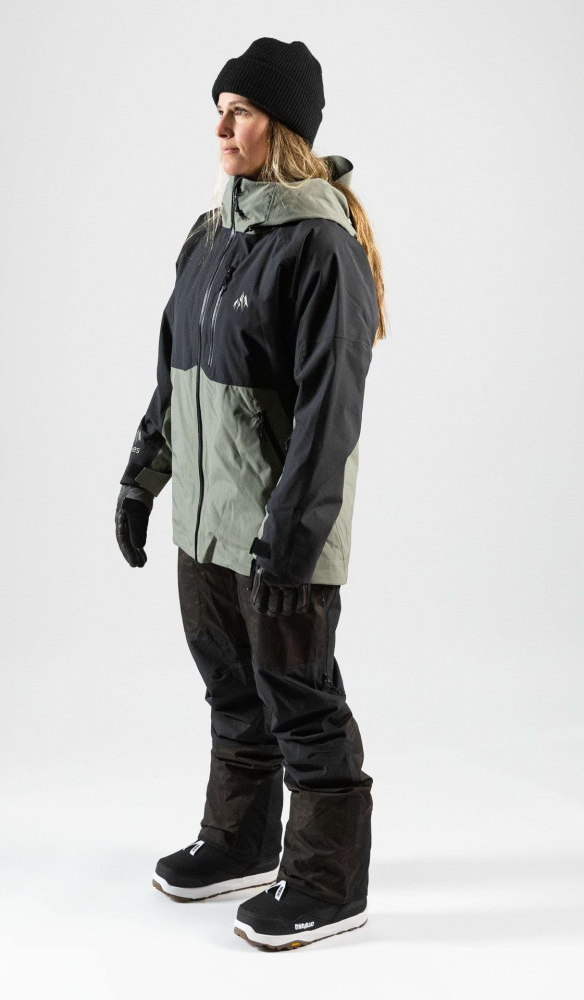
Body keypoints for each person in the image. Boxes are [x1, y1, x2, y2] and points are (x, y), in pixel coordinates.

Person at [114, 37, 387, 951]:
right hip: (206, 525)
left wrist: (292, 539)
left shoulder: (322, 248)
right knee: (233, 691)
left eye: (241, 111)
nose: (222, 127)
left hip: (280, 537)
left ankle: (327, 881)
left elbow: (329, 415)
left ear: (286, 128)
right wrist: (141, 482)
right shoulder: (208, 237)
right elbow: (175, 376)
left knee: (300, 700)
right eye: (219, 110)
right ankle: (240, 840)